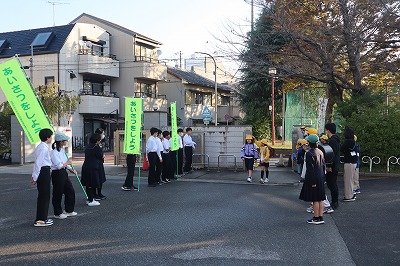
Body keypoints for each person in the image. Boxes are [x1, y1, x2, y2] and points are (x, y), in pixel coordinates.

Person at [299, 134, 326, 225]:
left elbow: (310, 169)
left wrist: (312, 182)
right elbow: (323, 166)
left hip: (314, 178)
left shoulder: (309, 153)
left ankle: (316, 218)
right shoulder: (320, 151)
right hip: (321, 177)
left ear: (309, 143)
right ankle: (321, 217)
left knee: (315, 199)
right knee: (321, 198)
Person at [50, 132, 77, 219]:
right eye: (65, 140)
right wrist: (68, 163)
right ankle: (57, 213)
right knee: (58, 193)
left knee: (70, 191)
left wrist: (70, 169)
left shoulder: (62, 150)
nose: (67, 142)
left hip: (64, 172)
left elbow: (65, 163)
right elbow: (58, 166)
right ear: (61, 142)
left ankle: (69, 210)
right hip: (57, 173)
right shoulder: (53, 153)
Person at [32, 128, 54, 227]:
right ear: (47, 137)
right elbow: (39, 163)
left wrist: (34, 175)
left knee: (44, 195)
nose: (52, 138)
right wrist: (35, 176)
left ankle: (42, 218)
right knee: (44, 196)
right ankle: (40, 220)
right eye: (51, 136)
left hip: (43, 171)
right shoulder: (43, 148)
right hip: (43, 171)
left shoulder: (41, 146)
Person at [81, 133, 104, 206]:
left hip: (86, 166)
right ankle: (91, 200)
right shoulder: (96, 147)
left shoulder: (87, 146)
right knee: (91, 183)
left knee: (88, 184)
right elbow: (100, 156)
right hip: (93, 167)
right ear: (97, 141)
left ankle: (90, 199)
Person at [325, 123, 340, 209]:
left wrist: (329, 165)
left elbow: (331, 154)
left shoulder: (332, 141)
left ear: (328, 130)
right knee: (332, 183)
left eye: (326, 129)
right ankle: (334, 201)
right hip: (335, 165)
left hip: (332, 166)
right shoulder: (336, 140)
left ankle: (335, 202)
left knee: (332, 184)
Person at [341, 128, 358, 202]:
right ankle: (351, 193)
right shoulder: (353, 141)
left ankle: (348, 196)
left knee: (348, 180)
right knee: (351, 179)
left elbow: (341, 149)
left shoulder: (347, 142)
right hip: (354, 162)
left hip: (348, 162)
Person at [94, 128, 107, 200]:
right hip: (96, 163)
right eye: (102, 133)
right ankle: (95, 194)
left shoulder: (101, 142)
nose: (103, 135)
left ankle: (99, 193)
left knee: (101, 178)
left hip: (100, 162)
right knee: (97, 178)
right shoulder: (95, 143)